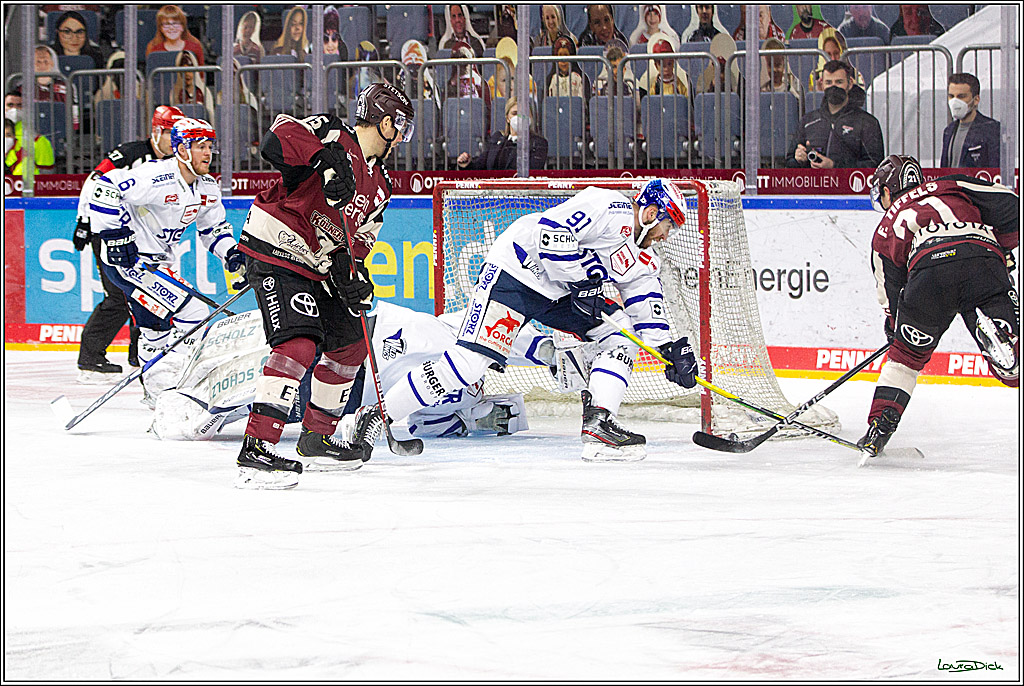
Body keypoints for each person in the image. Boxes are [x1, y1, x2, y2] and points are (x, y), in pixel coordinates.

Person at [346, 178, 699, 464]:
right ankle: (378, 414)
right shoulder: (607, 205)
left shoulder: (644, 256)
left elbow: (645, 302)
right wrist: (581, 281)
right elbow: (551, 233)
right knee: (468, 364)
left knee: (619, 337)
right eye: (668, 224)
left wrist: (666, 347)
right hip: (516, 274)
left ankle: (599, 426)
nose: (667, 235)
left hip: (561, 292)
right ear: (652, 211)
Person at [232, 82, 416, 490]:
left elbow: (359, 242)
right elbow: (276, 138)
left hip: (319, 264)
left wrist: (355, 277)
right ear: (386, 123)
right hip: (278, 246)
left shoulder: (382, 185)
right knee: (298, 343)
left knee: (350, 342)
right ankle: (256, 448)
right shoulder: (333, 134)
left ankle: (316, 438)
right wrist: (324, 161)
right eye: (400, 128)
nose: (401, 138)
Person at [152, 301, 545, 442]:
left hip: (352, 392)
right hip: (355, 331)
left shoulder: (461, 403)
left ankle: (195, 408)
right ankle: (182, 360)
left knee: (274, 389)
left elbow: (413, 425)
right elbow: (504, 326)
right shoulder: (462, 332)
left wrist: (481, 420)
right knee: (269, 336)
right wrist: (546, 351)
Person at [857, 155, 1018, 458]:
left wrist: (896, 334)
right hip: (981, 258)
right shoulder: (951, 184)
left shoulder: (885, 228)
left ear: (889, 191)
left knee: (905, 359)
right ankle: (1006, 349)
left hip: (929, 272)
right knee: (1013, 369)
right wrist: (1000, 246)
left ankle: (880, 425)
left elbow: (890, 295)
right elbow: (1011, 204)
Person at [86, 117, 243, 404]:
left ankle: (158, 393)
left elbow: (214, 230)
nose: (208, 153)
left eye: (210, 146)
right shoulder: (156, 176)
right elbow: (104, 187)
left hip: (156, 264)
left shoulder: (207, 188)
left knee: (154, 329)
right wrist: (115, 234)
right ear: (182, 149)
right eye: (200, 146)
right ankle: (189, 384)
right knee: (193, 310)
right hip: (130, 263)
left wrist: (230, 252)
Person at [72, 105, 184, 381]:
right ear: (156, 131)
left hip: (144, 240)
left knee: (146, 295)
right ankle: (90, 358)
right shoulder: (131, 153)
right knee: (119, 297)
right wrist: (84, 221)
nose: (175, 140)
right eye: (171, 133)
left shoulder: (176, 165)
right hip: (111, 235)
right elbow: (96, 180)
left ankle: (140, 353)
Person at [787, 60, 883, 169]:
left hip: (850, 185)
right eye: (828, 82)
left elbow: (875, 164)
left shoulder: (867, 122)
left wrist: (834, 166)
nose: (833, 87)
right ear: (821, 84)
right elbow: (789, 163)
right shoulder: (808, 121)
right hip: (814, 185)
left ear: (850, 83)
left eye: (839, 82)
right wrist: (797, 159)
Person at [457, 97, 547, 170]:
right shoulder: (497, 139)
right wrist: (466, 164)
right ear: (507, 118)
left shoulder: (538, 143)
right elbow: (480, 166)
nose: (519, 117)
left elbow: (532, 170)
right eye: (514, 113)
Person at [940, 73, 1000, 169]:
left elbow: (996, 170)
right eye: (951, 96)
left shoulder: (991, 129)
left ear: (976, 99)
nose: (955, 102)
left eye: (961, 96)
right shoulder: (948, 131)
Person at [4, 88, 56, 175]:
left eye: (19, 105)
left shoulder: (39, 141)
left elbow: (46, 180)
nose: (15, 109)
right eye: (10, 105)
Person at [637, 32, 692, 98]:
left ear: (673, 63)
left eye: (669, 64)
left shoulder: (677, 83)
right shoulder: (656, 85)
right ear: (656, 66)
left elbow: (684, 97)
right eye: (662, 65)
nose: (666, 69)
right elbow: (651, 101)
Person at [169, 50, 215, 122]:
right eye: (184, 71)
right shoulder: (175, 93)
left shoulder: (204, 91)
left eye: (190, 71)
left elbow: (211, 116)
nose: (187, 74)